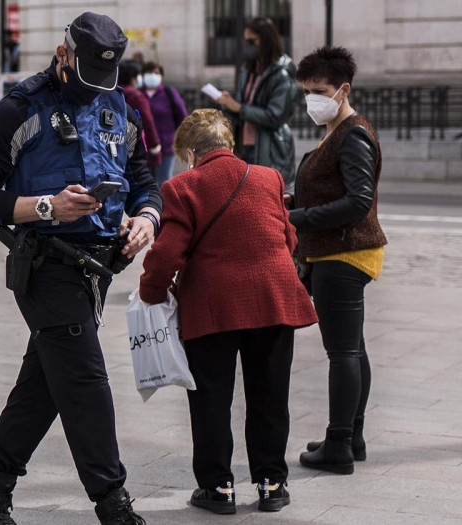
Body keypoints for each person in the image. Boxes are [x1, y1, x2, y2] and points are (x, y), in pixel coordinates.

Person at [0, 12, 161, 525]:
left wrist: (146, 218)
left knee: (43, 387)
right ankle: (114, 508)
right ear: (63, 53)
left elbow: (144, 180)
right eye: (86, 76)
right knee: (87, 384)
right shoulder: (20, 108)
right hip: (46, 266)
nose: (95, 90)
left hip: (97, 270)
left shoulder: (118, 104)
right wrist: (46, 206)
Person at [137, 109, 317, 515]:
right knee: (270, 395)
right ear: (230, 146)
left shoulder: (182, 187)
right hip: (273, 300)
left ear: (190, 153)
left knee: (212, 400)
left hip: (213, 308)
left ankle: (218, 488)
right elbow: (287, 236)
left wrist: (150, 293)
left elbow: (166, 253)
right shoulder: (268, 178)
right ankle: (272, 484)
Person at [289, 46, 386, 476]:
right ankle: (351, 435)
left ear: (343, 89)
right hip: (337, 250)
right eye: (307, 91)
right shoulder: (336, 130)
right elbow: (333, 190)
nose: (312, 98)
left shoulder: (353, 134)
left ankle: (338, 445)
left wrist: (295, 217)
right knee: (354, 349)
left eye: (320, 90)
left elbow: (358, 201)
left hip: (343, 252)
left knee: (342, 352)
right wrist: (295, 199)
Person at [217, 17, 298, 192]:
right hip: (243, 146)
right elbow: (240, 105)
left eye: (251, 41)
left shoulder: (281, 74)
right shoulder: (248, 71)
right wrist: (228, 105)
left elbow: (275, 116)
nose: (247, 45)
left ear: (266, 40)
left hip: (270, 149)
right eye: (246, 41)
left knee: (266, 197)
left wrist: (239, 107)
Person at [141, 62, 189, 185]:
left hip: (166, 147)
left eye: (156, 73)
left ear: (161, 75)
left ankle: (163, 204)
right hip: (143, 148)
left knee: (164, 182)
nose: (152, 76)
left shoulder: (169, 93)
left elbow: (183, 118)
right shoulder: (138, 94)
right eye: (149, 73)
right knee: (145, 183)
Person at [118, 60, 163, 168]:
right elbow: (147, 122)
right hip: (138, 149)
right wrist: (154, 145)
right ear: (133, 78)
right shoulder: (137, 96)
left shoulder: (113, 94)